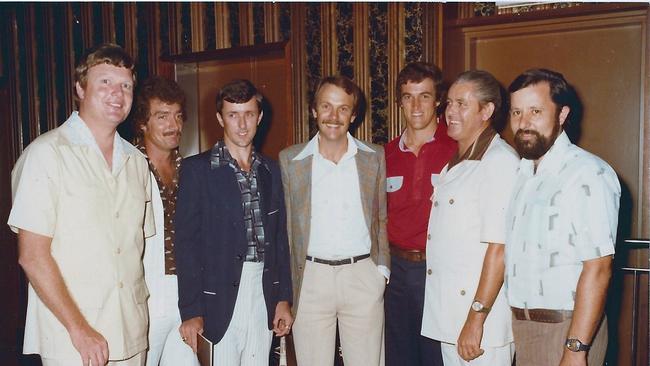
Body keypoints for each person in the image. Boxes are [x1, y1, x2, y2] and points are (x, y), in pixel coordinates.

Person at [8, 43, 153, 366]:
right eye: (105, 82)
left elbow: (136, 253)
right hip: (73, 341)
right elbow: (32, 256)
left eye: (126, 85)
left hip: (131, 336)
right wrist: (80, 329)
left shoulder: (137, 162)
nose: (117, 93)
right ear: (80, 88)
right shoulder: (46, 154)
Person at [505, 68, 620, 366]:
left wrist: (576, 348)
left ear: (562, 114)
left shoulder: (587, 174)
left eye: (535, 111)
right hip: (524, 326)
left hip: (565, 329)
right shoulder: (523, 173)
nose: (523, 122)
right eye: (516, 112)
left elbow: (598, 268)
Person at [175, 79, 293, 365]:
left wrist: (283, 298)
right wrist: (191, 311)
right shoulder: (197, 170)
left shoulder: (271, 170)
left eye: (249, 114)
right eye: (233, 115)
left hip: (262, 292)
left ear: (259, 117)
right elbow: (186, 245)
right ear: (220, 118)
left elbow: (279, 240)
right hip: (218, 298)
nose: (242, 124)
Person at [279, 75, 389, 366]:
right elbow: (285, 229)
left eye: (343, 109)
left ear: (354, 115)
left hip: (362, 275)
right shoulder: (290, 161)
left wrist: (381, 273)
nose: (333, 116)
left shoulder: (374, 157)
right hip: (311, 279)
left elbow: (382, 218)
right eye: (326, 106)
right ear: (314, 110)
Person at [421, 70, 518, 366]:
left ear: (486, 111)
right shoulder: (460, 160)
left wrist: (476, 320)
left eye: (462, 104)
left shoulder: (499, 161)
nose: (450, 111)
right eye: (449, 103)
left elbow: (498, 249)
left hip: (480, 325)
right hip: (451, 316)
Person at [384, 62, 456, 366]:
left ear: (438, 100)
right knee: (398, 357)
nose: (415, 105)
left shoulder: (457, 149)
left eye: (424, 96)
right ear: (399, 101)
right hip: (395, 272)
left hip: (437, 270)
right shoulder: (384, 155)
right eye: (408, 96)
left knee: (434, 357)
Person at [131, 76, 199, 366]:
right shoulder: (127, 167)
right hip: (143, 296)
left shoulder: (193, 171)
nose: (173, 124)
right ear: (143, 123)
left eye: (178, 115)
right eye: (162, 116)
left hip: (185, 297)